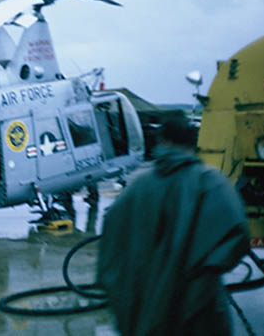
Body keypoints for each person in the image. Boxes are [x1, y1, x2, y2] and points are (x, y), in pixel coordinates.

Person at [97, 117, 250, 336]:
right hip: (198, 317)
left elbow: (110, 255)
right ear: (193, 143)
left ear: (163, 141)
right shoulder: (213, 183)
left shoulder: (136, 188)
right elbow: (238, 236)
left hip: (145, 315)